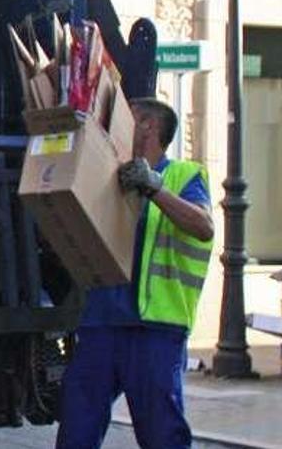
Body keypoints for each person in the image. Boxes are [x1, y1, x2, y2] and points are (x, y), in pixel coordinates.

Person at [56, 98, 215, 449]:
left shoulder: (184, 175)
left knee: (162, 437)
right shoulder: (108, 176)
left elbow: (203, 226)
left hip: (154, 328)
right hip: (100, 323)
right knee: (75, 432)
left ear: (149, 127)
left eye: (129, 119)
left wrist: (154, 188)